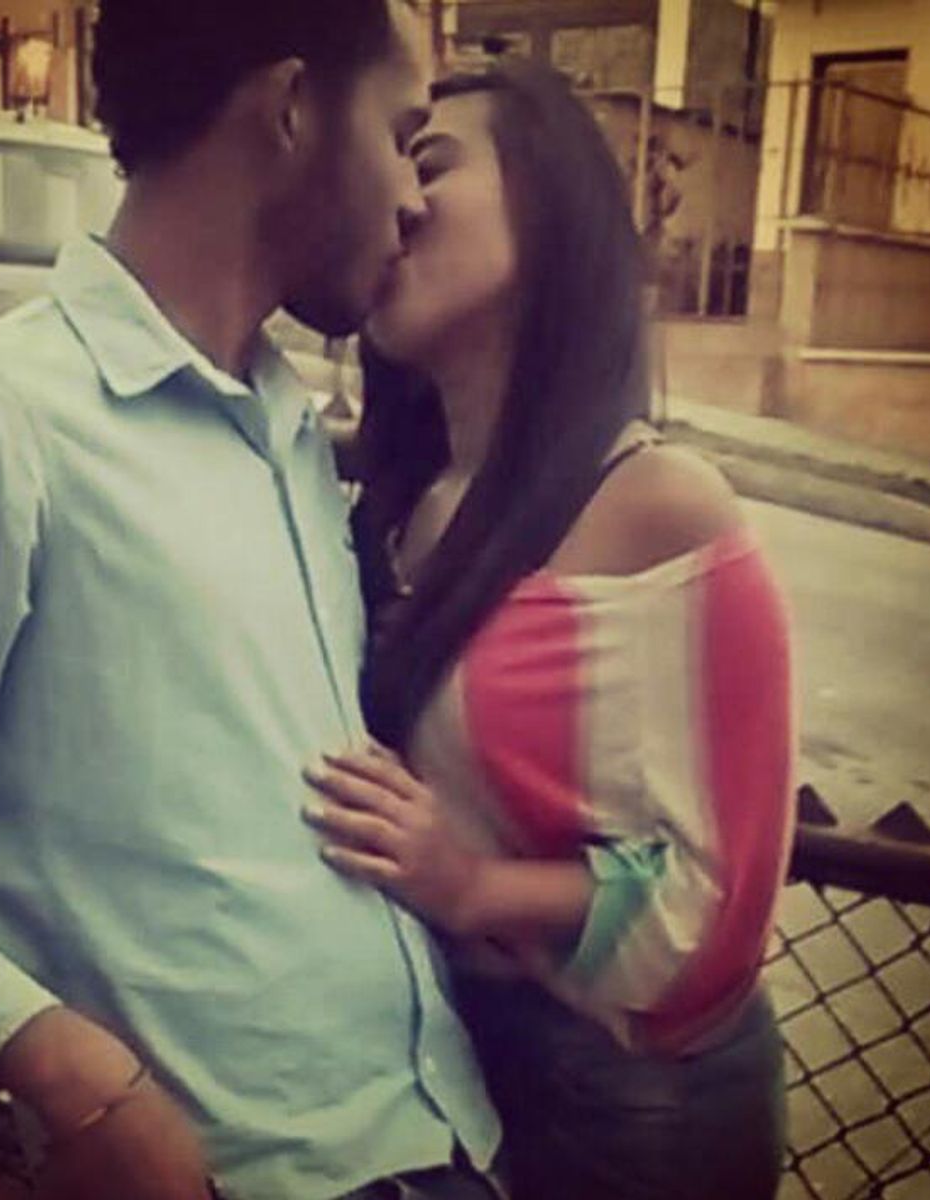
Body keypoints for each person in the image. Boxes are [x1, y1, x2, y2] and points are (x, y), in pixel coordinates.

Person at [0, 5, 505, 1198]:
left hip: (447, 1136)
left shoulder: (290, 427)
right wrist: (66, 1067)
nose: (411, 196)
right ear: (293, 107)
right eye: (402, 137)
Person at [303, 64, 794, 1200]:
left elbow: (713, 905)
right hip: (445, 1058)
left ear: (549, 202)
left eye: (431, 163)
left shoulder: (660, 508)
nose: (397, 198)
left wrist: (472, 885)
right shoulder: (400, 506)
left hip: (629, 1100)